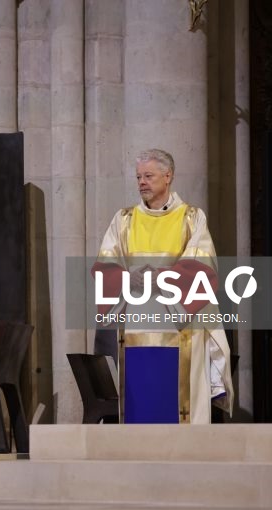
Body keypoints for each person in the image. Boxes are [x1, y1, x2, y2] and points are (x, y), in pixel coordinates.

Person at [93, 148, 234, 423]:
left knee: (180, 402)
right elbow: (105, 266)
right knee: (141, 398)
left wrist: (164, 277)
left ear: (167, 176)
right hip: (137, 324)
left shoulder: (191, 218)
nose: (141, 182)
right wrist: (126, 278)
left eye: (148, 176)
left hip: (181, 325)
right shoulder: (124, 220)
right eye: (138, 177)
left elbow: (203, 265)